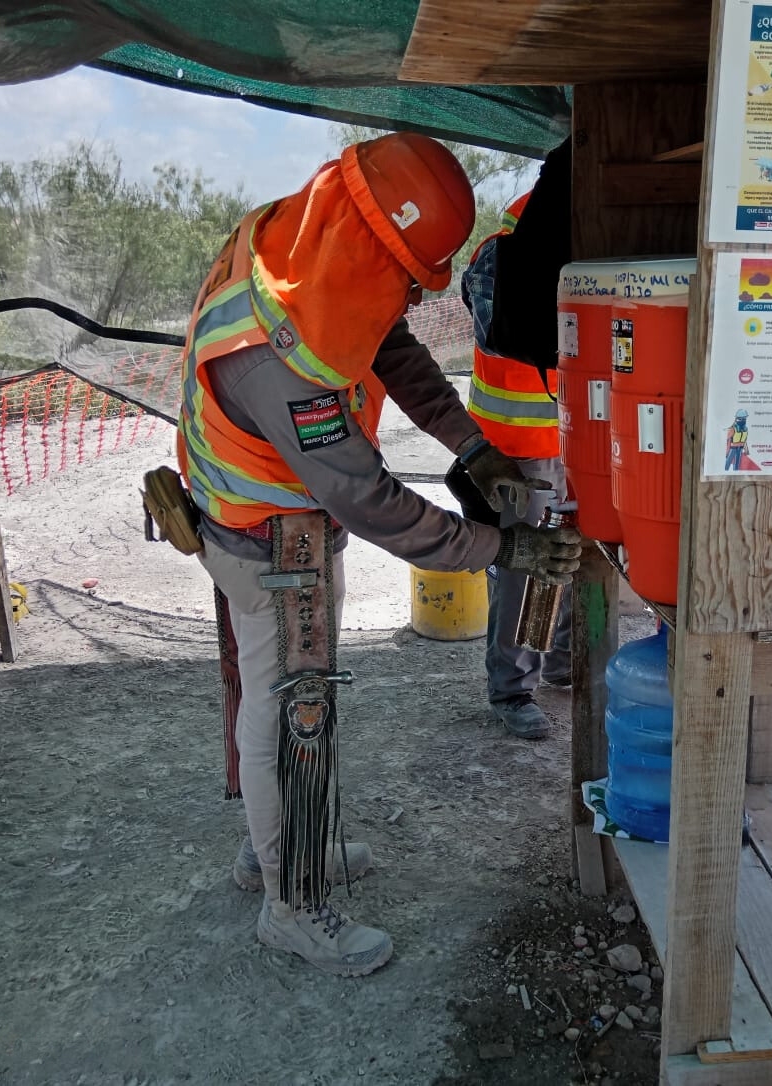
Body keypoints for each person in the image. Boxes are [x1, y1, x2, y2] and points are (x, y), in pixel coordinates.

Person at [177, 132, 583, 977]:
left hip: (265, 515)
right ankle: (291, 904)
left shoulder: (296, 245)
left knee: (285, 702)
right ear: (375, 246)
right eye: (408, 274)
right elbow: (370, 500)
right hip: (265, 536)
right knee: (292, 711)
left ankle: (274, 848)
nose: (405, 292)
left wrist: (472, 448)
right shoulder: (279, 355)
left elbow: (391, 348)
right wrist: (498, 546)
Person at [462, 191, 572, 740]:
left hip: (576, 440)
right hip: (518, 446)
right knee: (527, 565)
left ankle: (564, 660)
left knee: (576, 550)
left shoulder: (560, 251)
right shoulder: (504, 260)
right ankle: (513, 688)